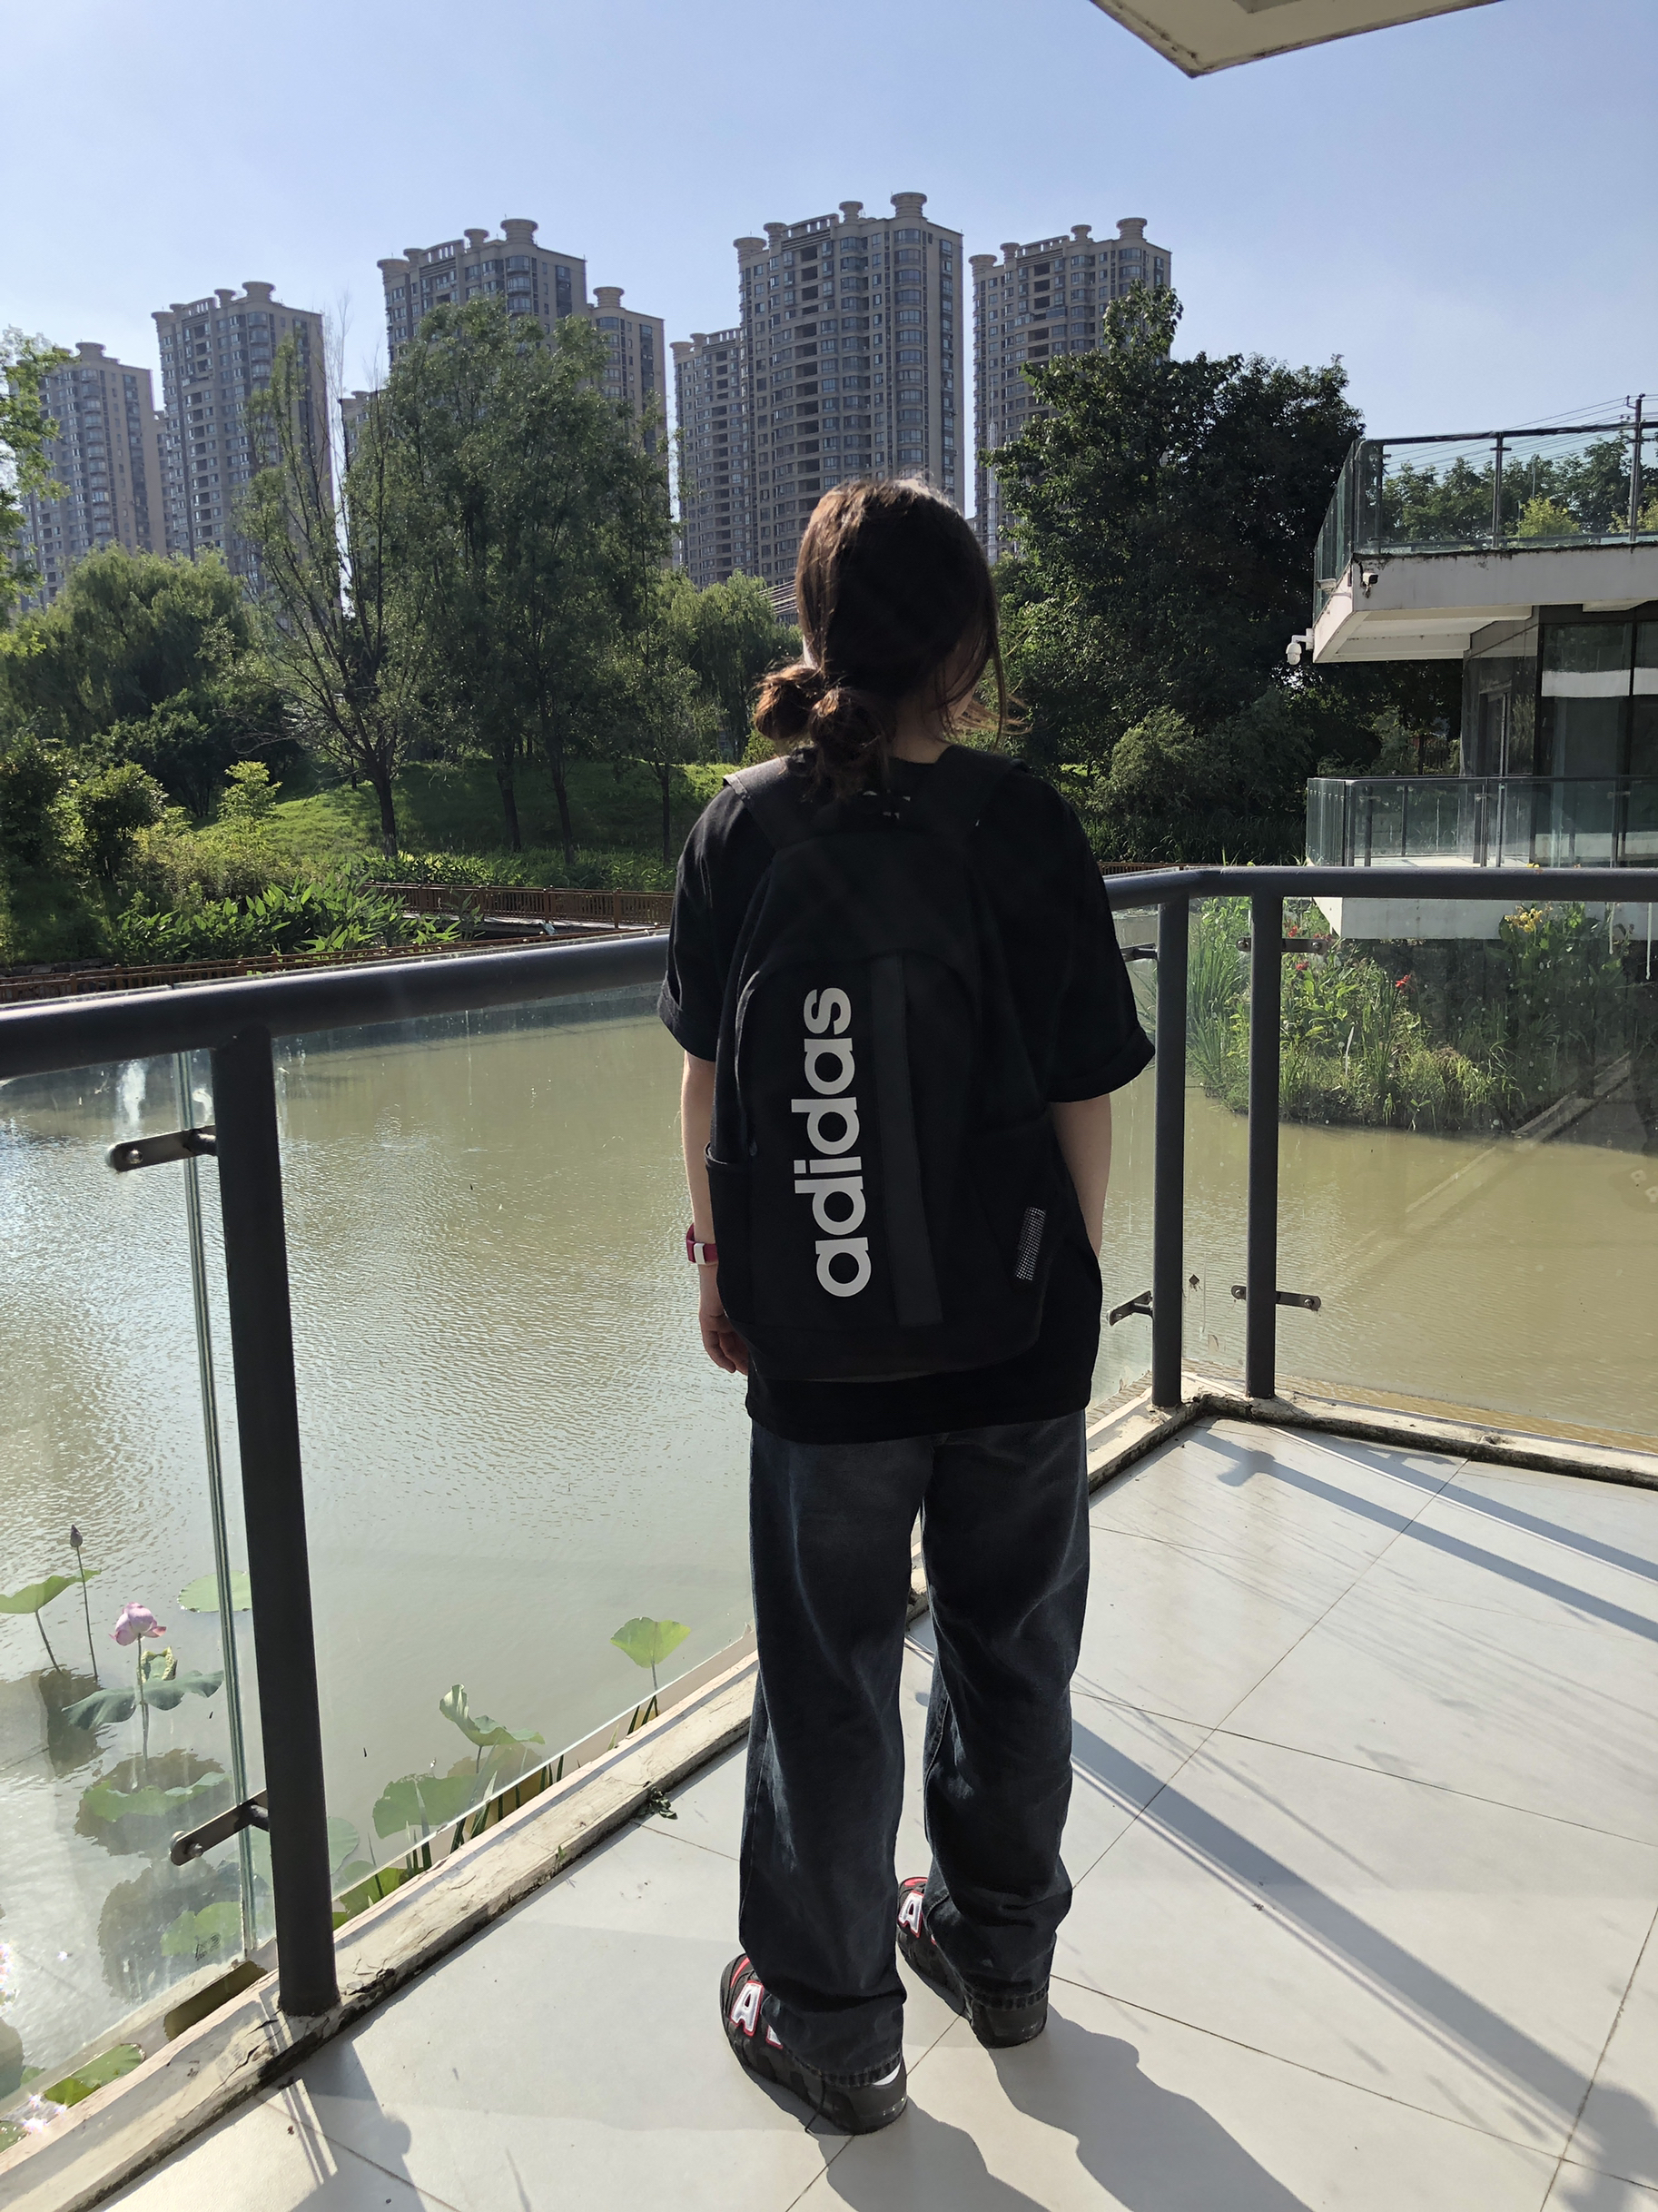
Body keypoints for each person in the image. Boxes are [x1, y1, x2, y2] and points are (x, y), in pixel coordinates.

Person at [657, 479, 1152, 2133]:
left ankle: (831, 2030)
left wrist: (721, 1264)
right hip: (1017, 1336)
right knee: (1011, 1650)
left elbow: (707, 1080)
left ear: (813, 631)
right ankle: (997, 1959)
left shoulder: (741, 829)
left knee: (828, 1673)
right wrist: (1061, 1283)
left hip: (820, 1341)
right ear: (969, 647)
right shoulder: (1025, 823)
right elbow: (1085, 1089)